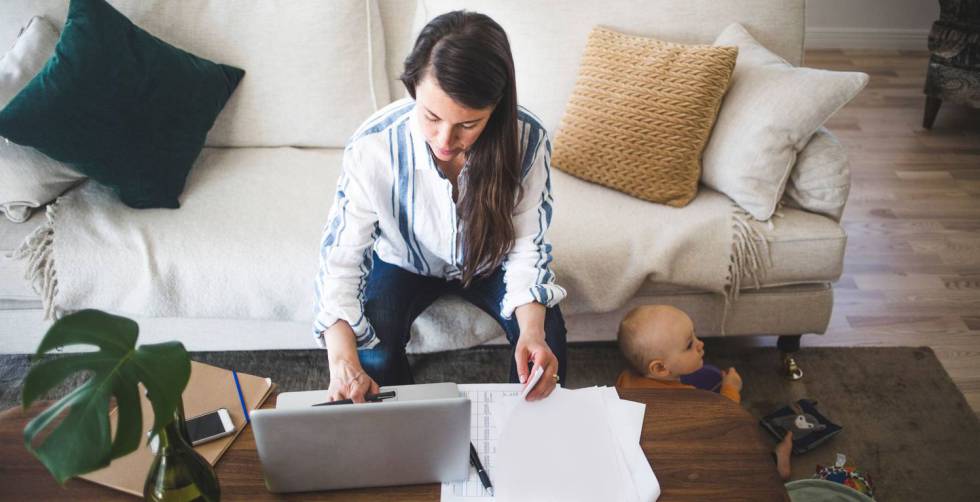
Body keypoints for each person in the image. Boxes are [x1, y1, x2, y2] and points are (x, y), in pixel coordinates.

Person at [313, 10, 567, 404]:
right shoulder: (374, 146)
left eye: (468, 124)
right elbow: (341, 258)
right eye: (431, 116)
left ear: (496, 108)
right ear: (413, 88)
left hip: (490, 259)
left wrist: (532, 334)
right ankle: (406, 434)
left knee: (546, 343)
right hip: (403, 261)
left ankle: (527, 434)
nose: (445, 140)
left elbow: (526, 245)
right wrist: (341, 359)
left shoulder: (527, 140)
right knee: (373, 353)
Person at [615, 304, 794, 480]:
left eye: (694, 334)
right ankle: (775, 465)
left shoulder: (624, 379)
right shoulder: (689, 400)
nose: (700, 344)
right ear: (660, 368)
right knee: (740, 444)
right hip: (685, 469)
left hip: (640, 465)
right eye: (689, 344)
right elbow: (725, 416)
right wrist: (730, 388)